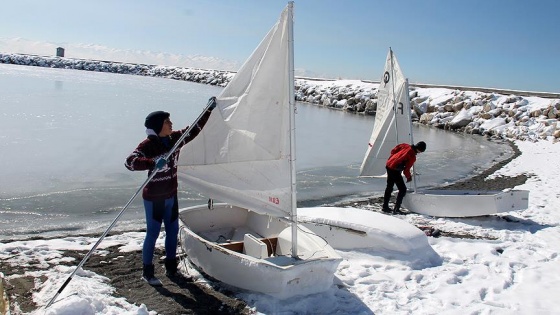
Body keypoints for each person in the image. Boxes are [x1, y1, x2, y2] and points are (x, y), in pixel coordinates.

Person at [125, 99, 216, 286]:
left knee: (173, 231)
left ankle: (171, 267)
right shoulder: (147, 145)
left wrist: (208, 110)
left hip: (171, 195)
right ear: (158, 126)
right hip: (154, 199)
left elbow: (193, 130)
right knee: (153, 233)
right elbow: (130, 162)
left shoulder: (174, 139)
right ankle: (148, 272)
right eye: (167, 122)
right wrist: (152, 163)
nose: (171, 124)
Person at [382, 141, 426, 214]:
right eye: (421, 151)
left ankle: (385, 207)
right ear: (419, 149)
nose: (420, 153)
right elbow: (406, 170)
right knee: (402, 189)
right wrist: (409, 177)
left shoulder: (405, 145)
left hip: (389, 165)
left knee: (389, 186)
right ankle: (396, 209)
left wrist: (393, 158)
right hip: (395, 169)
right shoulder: (412, 156)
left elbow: (393, 151)